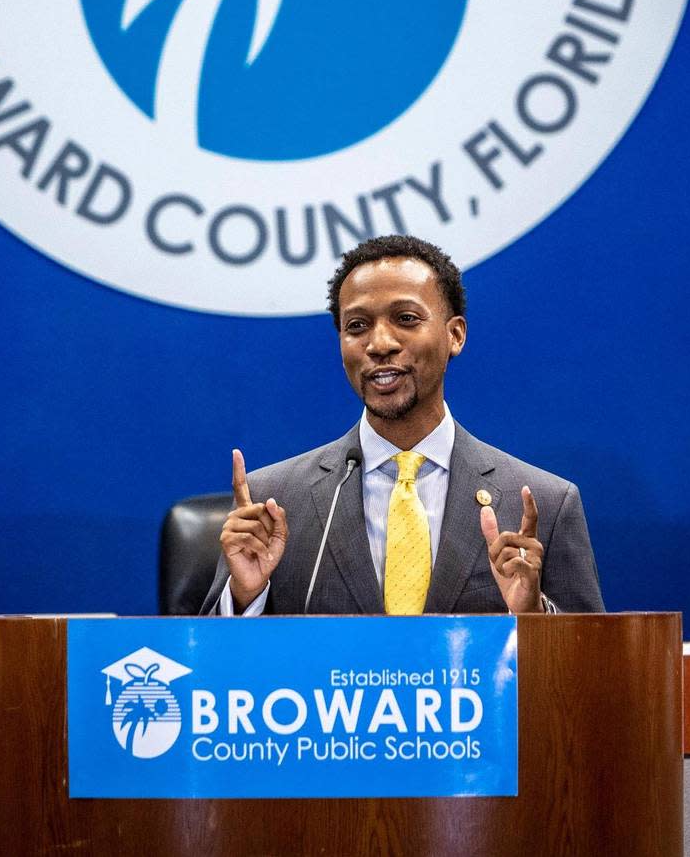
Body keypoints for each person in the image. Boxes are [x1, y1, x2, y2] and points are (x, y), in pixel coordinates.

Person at [202, 235, 603, 617]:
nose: (379, 344)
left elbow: (589, 669)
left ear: (455, 335)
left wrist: (533, 615)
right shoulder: (273, 501)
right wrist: (244, 597)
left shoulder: (544, 503)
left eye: (406, 319)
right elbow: (208, 670)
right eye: (356, 326)